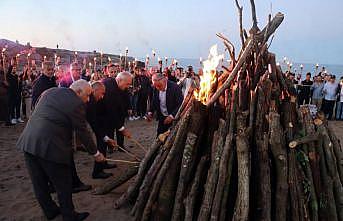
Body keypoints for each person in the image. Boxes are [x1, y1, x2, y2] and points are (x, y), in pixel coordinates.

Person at [17, 79, 106, 221]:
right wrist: (95, 153)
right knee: (63, 183)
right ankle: (69, 215)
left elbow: (37, 110)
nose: (88, 100)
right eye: (87, 95)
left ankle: (50, 211)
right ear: (78, 92)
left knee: (39, 182)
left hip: (28, 142)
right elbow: (83, 131)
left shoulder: (51, 91)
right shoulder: (76, 103)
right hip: (50, 146)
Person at [87, 81, 117, 179]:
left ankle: (103, 163)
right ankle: (97, 172)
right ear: (95, 91)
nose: (103, 96)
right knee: (100, 143)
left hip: (99, 122)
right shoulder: (90, 102)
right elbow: (93, 124)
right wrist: (105, 137)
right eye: (102, 93)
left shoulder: (95, 99)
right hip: (88, 126)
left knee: (103, 142)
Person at [102, 72, 133, 150]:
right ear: (119, 80)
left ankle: (120, 145)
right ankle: (110, 146)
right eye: (127, 84)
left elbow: (126, 96)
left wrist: (129, 107)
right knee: (110, 129)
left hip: (120, 110)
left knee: (120, 126)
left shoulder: (122, 85)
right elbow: (111, 110)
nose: (128, 86)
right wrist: (122, 129)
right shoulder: (109, 87)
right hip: (107, 112)